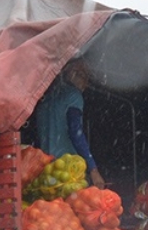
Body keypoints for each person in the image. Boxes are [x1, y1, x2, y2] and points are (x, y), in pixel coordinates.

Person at [32, 59, 105, 188]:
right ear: (72, 73)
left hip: (46, 167)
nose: (86, 84)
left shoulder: (46, 98)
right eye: (84, 76)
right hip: (68, 168)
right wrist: (93, 169)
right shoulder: (73, 96)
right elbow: (76, 133)